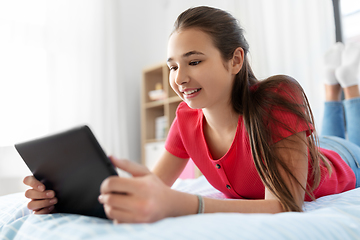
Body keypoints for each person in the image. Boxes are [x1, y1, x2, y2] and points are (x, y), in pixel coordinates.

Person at [22, 6, 360, 223]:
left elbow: (284, 205)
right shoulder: (185, 119)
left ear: (236, 60)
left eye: (194, 61)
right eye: (173, 66)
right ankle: (336, 85)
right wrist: (64, 197)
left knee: (349, 139)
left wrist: (189, 204)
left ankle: (344, 87)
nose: (179, 78)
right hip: (303, 140)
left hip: (340, 160)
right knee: (331, 126)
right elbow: (154, 188)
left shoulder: (277, 97)